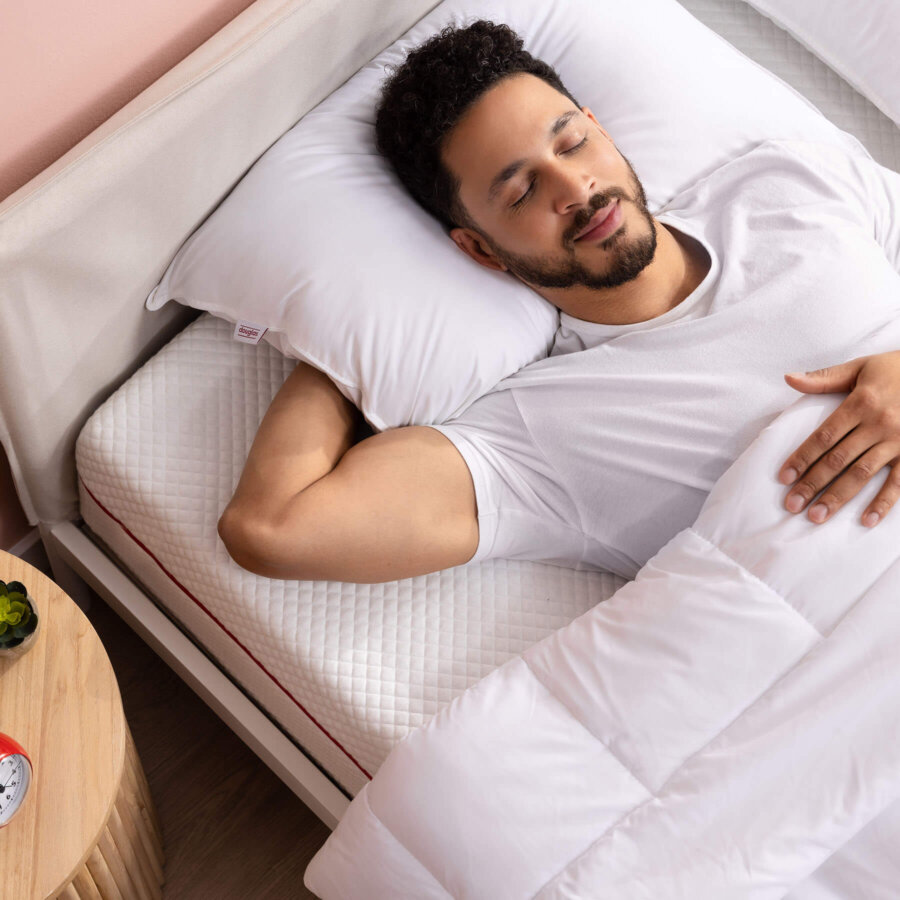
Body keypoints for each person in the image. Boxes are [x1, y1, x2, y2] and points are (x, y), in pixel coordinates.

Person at [218, 20, 900, 584]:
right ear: (481, 251)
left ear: (600, 129)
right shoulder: (545, 431)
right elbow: (273, 528)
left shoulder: (789, 182)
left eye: (573, 142)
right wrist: (347, 341)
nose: (574, 188)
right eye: (520, 193)